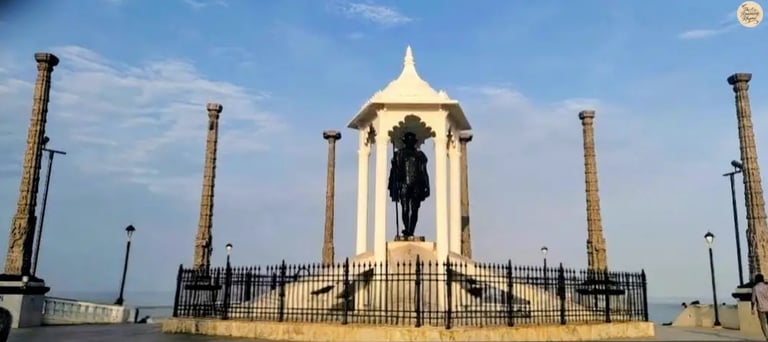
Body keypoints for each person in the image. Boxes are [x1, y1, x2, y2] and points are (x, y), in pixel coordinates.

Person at [752, 273, 768, 339]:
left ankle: (767, 337)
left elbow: (753, 300)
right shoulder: (767, 286)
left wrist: (752, 309)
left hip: (761, 308)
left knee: (763, 324)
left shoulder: (755, 288)